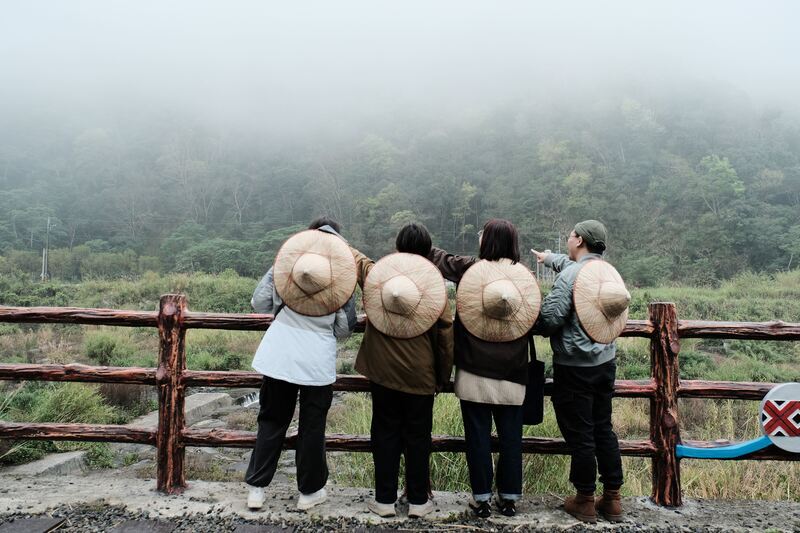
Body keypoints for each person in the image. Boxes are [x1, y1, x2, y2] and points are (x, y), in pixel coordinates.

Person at [245, 216, 357, 511]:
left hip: (279, 353)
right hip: (316, 361)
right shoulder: (341, 273)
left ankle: (256, 488)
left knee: (271, 420)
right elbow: (345, 328)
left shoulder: (288, 263)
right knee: (312, 426)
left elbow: (259, 303)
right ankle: (309, 493)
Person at [428, 218, 536, 518]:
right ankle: (510, 498)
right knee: (511, 437)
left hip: (474, 369)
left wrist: (419, 243)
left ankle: (482, 499)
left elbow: (440, 259)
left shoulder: (470, 268)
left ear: (486, 241)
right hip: (514, 371)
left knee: (477, 437)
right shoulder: (524, 277)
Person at [350, 222, 454, 519]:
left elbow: (359, 263)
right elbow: (446, 335)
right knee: (418, 437)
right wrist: (442, 377)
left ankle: (384, 501)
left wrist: (329, 238)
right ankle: (419, 502)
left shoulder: (379, 276)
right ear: (427, 250)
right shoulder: (434, 287)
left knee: (384, 433)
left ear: (397, 246)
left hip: (382, 372)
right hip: (420, 376)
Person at [533, 219, 626, 523]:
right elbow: (571, 265)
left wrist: (527, 321)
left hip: (575, 368)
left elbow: (551, 318)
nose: (568, 240)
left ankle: (584, 499)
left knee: (580, 432)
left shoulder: (571, 275)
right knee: (603, 427)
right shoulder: (607, 271)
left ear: (579, 240)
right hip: (606, 363)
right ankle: (612, 498)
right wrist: (548, 259)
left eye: (571, 235)